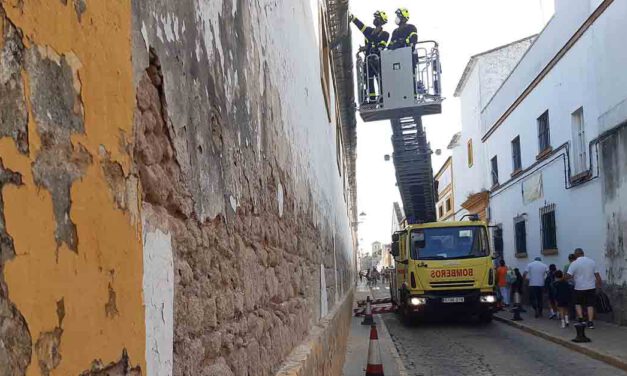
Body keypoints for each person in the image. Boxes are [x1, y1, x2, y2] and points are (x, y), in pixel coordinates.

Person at [349, 11, 389, 103]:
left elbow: (381, 45)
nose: (375, 20)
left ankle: (383, 99)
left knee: (380, 80)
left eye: (377, 18)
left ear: (381, 21)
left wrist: (370, 47)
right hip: (368, 61)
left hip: (378, 61)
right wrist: (353, 18)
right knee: (368, 81)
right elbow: (361, 26)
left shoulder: (385, 34)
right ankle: (372, 100)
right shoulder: (369, 31)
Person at [566, 248, 602, 328]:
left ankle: (581, 318)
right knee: (590, 305)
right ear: (583, 253)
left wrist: (563, 279)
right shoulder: (592, 262)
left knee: (577, 303)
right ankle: (590, 322)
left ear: (576, 254)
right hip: (591, 287)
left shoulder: (574, 263)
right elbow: (597, 276)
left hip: (579, 287)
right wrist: (599, 285)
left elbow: (568, 275)